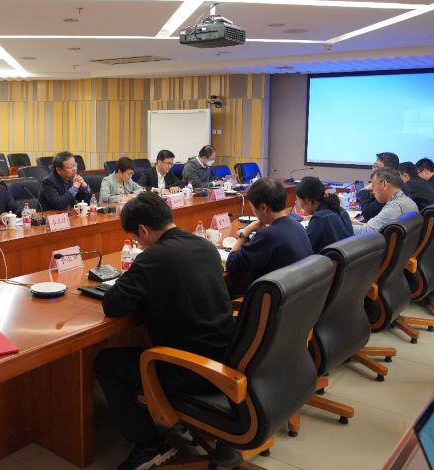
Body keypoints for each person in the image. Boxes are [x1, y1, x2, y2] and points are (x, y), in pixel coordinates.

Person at [95, 192, 234, 470]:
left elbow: (114, 305)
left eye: (136, 238)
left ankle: (149, 445)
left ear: (143, 230)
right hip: (227, 357)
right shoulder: (205, 245)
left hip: (191, 369)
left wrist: (132, 275)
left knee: (107, 362)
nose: (137, 244)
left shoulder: (153, 258)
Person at [225, 178, 313, 286]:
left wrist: (245, 232)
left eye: (252, 207)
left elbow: (232, 265)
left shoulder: (268, 235)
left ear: (263, 207)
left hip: (272, 295)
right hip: (298, 292)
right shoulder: (297, 225)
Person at [294, 176, 354, 253]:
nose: (298, 204)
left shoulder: (319, 218)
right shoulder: (341, 210)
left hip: (329, 259)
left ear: (308, 200)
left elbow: (303, 248)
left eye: (298, 200)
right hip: (345, 257)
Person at [352, 167, 418, 234]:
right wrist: (354, 223)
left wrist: (345, 226)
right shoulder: (406, 200)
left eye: (374, 186)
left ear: (384, 184)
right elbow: (373, 227)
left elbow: (366, 232)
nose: (373, 191)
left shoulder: (395, 207)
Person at [357, 152, 400, 221]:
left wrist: (364, 190)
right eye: (373, 166)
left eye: (376, 166)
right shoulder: (396, 185)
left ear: (388, 170)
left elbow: (367, 213)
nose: (373, 169)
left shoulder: (388, 190)